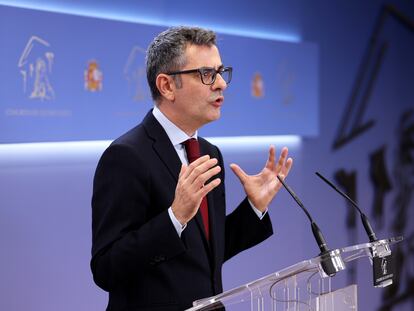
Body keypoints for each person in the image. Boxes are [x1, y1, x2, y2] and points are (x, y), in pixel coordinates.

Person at [91, 26, 293, 311]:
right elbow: (106, 268)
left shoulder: (209, 154)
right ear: (167, 86)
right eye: (207, 74)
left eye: (221, 72)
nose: (222, 83)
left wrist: (253, 208)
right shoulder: (126, 156)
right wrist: (175, 217)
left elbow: (204, 254)